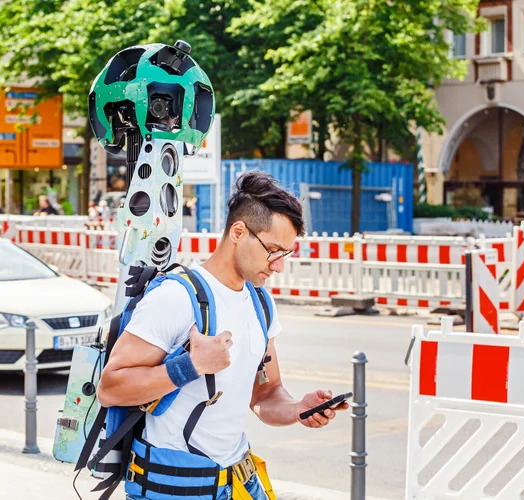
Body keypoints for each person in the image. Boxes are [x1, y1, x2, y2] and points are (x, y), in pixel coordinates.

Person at [97, 171, 348, 500]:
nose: (278, 266)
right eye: (273, 250)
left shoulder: (260, 302)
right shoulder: (176, 297)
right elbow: (110, 388)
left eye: (285, 254)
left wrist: (298, 409)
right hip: (175, 488)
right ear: (239, 232)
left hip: (238, 480)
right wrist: (189, 366)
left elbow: (266, 393)